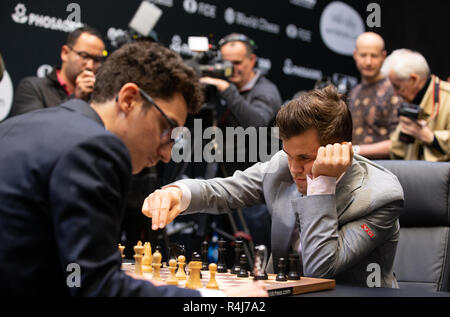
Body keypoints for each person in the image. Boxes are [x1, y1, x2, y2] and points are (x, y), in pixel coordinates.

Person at [0, 41, 267, 297]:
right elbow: (98, 289)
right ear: (128, 99)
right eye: (167, 129)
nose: (166, 155)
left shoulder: (16, 127)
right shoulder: (96, 147)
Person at [143, 85, 404, 288]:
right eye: (288, 154)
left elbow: (319, 270)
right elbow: (224, 190)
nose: (292, 168)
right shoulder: (284, 164)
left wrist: (321, 183)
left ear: (341, 150)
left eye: (304, 158)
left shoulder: (381, 196)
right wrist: (177, 192)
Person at [197, 33, 282, 251]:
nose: (232, 68)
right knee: (227, 252)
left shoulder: (265, 90)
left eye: (237, 63)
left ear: (252, 60)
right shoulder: (222, 88)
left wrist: (228, 92)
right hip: (228, 180)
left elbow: (258, 125)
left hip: (256, 188)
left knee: (254, 255)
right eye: (226, 63)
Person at [8, 26, 105, 117]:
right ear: (65, 53)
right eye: (84, 56)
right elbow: (32, 129)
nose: (90, 66)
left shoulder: (98, 98)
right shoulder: (33, 88)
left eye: (97, 60)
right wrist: (76, 99)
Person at [382, 49, 450, 161]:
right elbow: (396, 148)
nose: (395, 93)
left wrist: (429, 137)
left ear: (414, 79)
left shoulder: (447, 97)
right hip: (412, 174)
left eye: (398, 87)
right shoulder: (412, 102)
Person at [348, 32, 401, 159]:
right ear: (355, 55)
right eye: (363, 55)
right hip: (355, 169)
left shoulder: (395, 90)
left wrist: (354, 150)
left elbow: (400, 144)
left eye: (374, 56)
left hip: (385, 170)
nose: (368, 62)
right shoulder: (353, 93)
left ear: (383, 56)